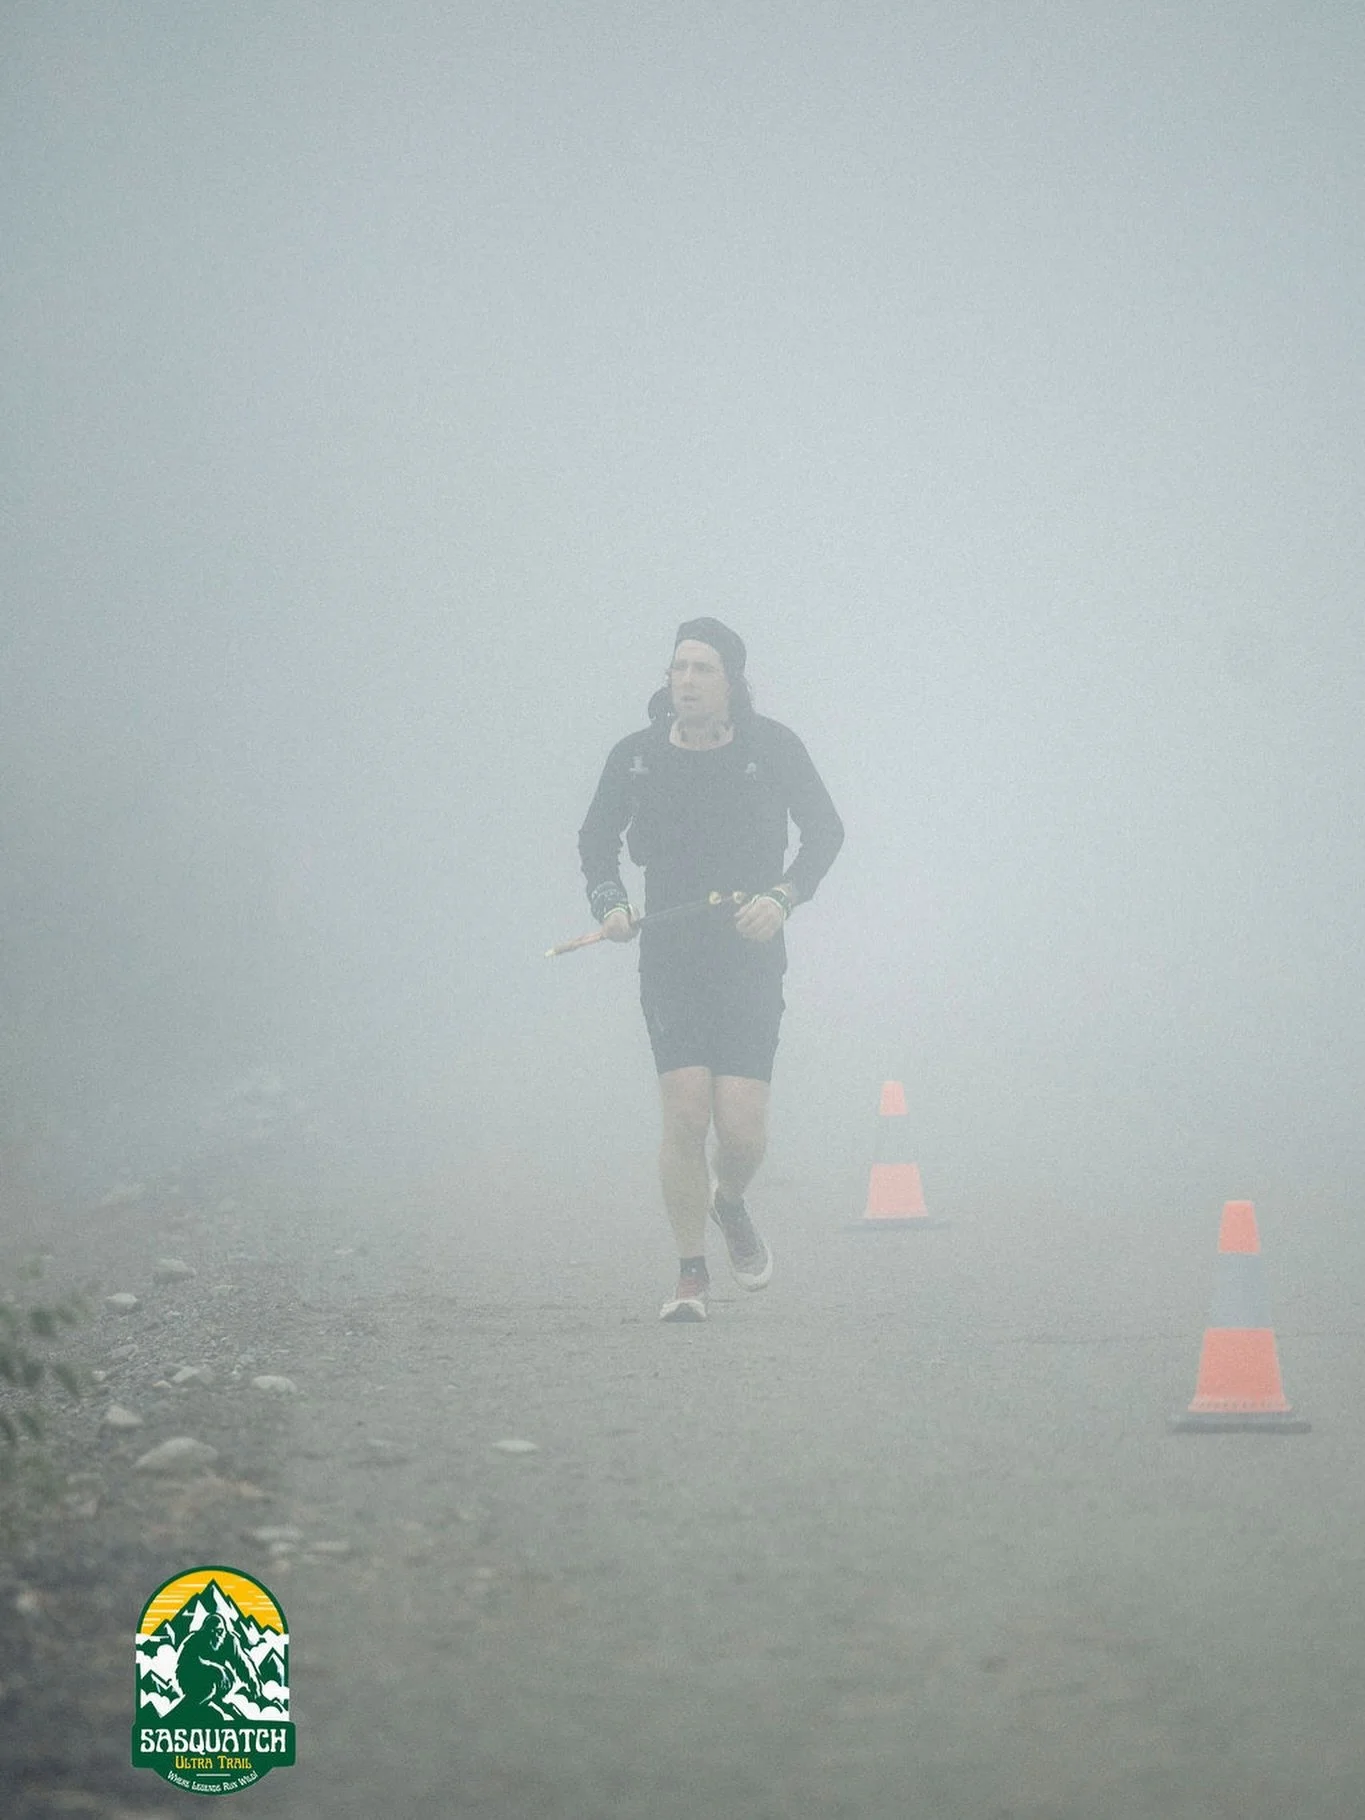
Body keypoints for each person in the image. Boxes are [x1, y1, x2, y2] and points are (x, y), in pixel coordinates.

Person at [578, 617, 844, 1322]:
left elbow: (826, 832)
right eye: (678, 667)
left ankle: (730, 1203)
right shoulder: (634, 757)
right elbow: (594, 840)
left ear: (731, 683)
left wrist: (784, 898)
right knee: (686, 1111)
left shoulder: (772, 747)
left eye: (702, 669)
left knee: (742, 1131)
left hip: (749, 954)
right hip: (669, 954)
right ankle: (689, 1272)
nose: (687, 680)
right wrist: (610, 905)